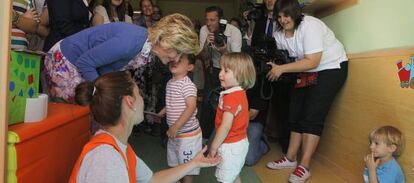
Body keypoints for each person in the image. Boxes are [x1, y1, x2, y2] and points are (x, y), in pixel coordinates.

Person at [70, 71, 221, 183]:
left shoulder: (116, 145)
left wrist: (193, 163)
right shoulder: (105, 159)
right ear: (130, 102)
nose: (142, 99)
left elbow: (153, 179)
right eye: (139, 94)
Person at [265, 0, 348, 182]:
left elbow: (313, 61)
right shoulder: (279, 33)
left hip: (330, 67)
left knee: (312, 116)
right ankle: (290, 158)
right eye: (279, 16)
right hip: (304, 69)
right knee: (295, 112)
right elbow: (290, 59)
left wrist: (282, 69)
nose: (283, 20)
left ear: (295, 13)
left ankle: (304, 166)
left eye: (286, 15)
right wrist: (278, 65)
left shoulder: (310, 26)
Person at [43, 13, 200, 103]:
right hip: (65, 62)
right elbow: (85, 62)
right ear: (166, 42)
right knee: (74, 115)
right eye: (178, 52)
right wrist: (105, 93)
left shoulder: (147, 46)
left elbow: (108, 66)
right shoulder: (130, 42)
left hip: (81, 62)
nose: (176, 58)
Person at [208, 53, 256, 183]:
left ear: (240, 75)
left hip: (230, 146)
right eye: (221, 69)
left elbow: (225, 126)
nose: (220, 74)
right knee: (233, 175)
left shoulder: (232, 97)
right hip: (238, 143)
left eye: (226, 71)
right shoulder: (239, 92)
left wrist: (213, 146)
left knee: (225, 179)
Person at [155, 54, 201, 183]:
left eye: (180, 61)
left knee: (187, 168)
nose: (174, 62)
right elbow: (173, 102)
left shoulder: (187, 85)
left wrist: (176, 126)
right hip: (175, 133)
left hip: (188, 135)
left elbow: (191, 107)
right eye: (174, 59)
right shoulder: (170, 82)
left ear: (190, 67)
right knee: (174, 164)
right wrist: (164, 111)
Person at [198, 6, 242, 139]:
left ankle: (225, 136)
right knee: (207, 102)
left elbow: (237, 60)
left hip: (231, 71)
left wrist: (223, 49)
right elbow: (201, 56)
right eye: (207, 20)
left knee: (227, 104)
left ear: (221, 20)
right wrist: (206, 44)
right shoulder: (204, 30)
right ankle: (205, 137)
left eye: (213, 20)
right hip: (212, 69)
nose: (209, 23)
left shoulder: (234, 32)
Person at [245, 76, 270, 166]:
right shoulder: (229, 77)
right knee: (212, 150)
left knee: (248, 160)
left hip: (253, 122)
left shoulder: (261, 79)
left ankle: (263, 144)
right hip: (231, 121)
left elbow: (252, 114)